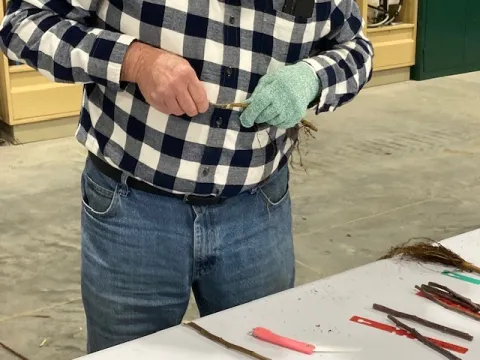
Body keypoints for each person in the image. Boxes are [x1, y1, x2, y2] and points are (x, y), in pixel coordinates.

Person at [0, 0, 373, 354]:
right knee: (129, 354)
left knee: (263, 350)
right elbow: (24, 25)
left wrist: (312, 78)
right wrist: (136, 61)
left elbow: (356, 49)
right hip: (132, 211)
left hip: (258, 213)